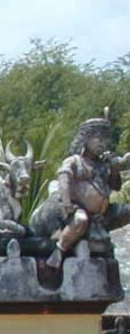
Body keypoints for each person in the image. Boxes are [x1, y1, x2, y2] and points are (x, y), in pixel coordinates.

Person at [30, 111, 130, 267]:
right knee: (80, 220)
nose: (102, 143)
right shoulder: (75, 161)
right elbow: (64, 179)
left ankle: (97, 236)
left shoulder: (103, 165)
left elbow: (115, 187)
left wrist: (115, 169)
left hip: (102, 214)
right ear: (85, 139)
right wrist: (67, 202)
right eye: (97, 138)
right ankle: (60, 250)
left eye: (105, 140)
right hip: (75, 209)